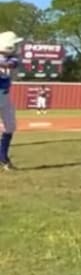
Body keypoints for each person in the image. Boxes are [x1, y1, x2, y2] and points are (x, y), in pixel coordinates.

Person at [0, 30, 23, 170]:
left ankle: (2, 157)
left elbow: (10, 64)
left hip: (5, 96)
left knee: (10, 126)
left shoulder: (11, 59)